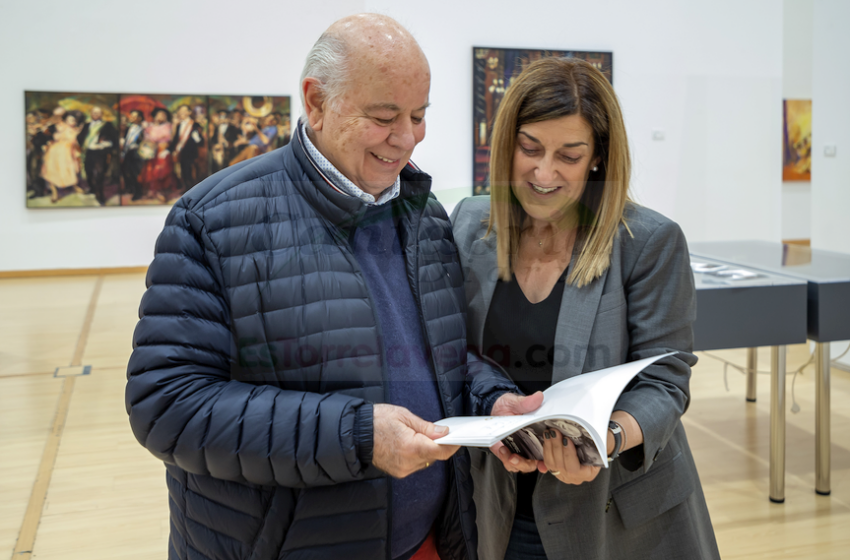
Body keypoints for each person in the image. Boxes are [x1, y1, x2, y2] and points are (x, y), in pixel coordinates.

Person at [126, 13, 477, 560]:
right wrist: (358, 435)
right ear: (316, 102)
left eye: (418, 115)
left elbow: (445, 359)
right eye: (385, 116)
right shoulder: (211, 221)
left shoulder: (426, 215)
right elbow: (168, 407)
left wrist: (494, 399)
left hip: (427, 543)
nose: (406, 139)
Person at [451, 57, 720, 560]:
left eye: (569, 156)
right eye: (529, 148)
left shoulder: (647, 242)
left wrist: (607, 439)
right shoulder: (468, 223)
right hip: (500, 507)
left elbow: (666, 382)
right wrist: (491, 403)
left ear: (598, 158)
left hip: (619, 518)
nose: (544, 172)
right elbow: (452, 348)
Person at [41, 110, 84, 203]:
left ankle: (74, 186)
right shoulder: (60, 127)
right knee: (52, 171)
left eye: (74, 121)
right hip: (56, 152)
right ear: (65, 120)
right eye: (70, 120)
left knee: (71, 170)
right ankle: (54, 192)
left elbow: (75, 142)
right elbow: (50, 132)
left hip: (68, 153)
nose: (72, 122)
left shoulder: (75, 130)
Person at [78, 106, 118, 205]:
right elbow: (80, 138)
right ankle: (92, 189)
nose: (95, 115)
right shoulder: (87, 125)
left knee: (99, 174)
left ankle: (100, 196)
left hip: (100, 153)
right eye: (94, 113)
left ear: (101, 115)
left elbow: (114, 139)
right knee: (88, 172)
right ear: (91, 114)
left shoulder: (107, 125)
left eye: (98, 113)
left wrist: (103, 144)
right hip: (88, 152)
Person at [139, 107, 174, 202]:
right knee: (150, 170)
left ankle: (160, 192)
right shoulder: (149, 127)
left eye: (163, 115)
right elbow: (146, 139)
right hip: (151, 150)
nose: (161, 117)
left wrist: (165, 149)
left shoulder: (169, 126)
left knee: (161, 171)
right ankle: (152, 190)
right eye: (159, 114)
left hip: (163, 150)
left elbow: (170, 139)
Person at [170, 104, 205, 192]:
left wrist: (196, 137)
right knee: (183, 171)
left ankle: (191, 189)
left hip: (191, 152)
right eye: (180, 111)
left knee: (191, 172)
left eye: (184, 110)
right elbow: (176, 139)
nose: (182, 112)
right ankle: (186, 188)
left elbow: (201, 142)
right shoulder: (179, 125)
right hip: (181, 152)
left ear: (189, 112)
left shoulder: (195, 124)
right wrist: (169, 149)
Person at [121, 109, 146, 201]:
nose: (132, 117)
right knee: (126, 171)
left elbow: (144, 141)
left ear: (139, 118)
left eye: (134, 116)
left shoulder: (143, 128)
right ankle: (130, 188)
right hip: (128, 152)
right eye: (131, 115)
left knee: (136, 173)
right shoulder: (128, 128)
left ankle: (138, 192)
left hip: (137, 153)